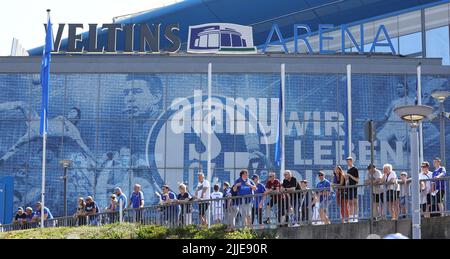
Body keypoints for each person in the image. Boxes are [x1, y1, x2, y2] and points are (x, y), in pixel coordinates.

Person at [345, 157, 359, 222]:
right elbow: (347, 181)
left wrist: (350, 176)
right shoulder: (348, 170)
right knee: (350, 203)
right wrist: (346, 179)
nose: (347, 163)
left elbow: (357, 180)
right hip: (349, 188)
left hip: (354, 187)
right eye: (347, 162)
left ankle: (355, 217)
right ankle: (351, 218)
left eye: (348, 161)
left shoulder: (355, 169)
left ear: (351, 161)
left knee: (355, 203)